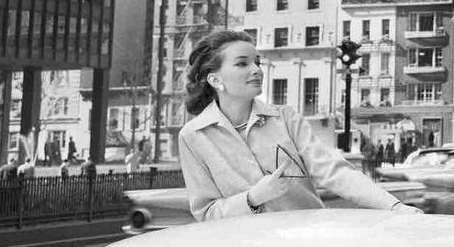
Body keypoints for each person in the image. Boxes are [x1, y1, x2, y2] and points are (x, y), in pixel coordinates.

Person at [178, 28, 417, 221]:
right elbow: (206, 213)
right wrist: (252, 198)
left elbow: (334, 171)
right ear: (215, 79)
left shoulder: (285, 118)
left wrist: (395, 206)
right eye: (242, 64)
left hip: (305, 243)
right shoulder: (193, 136)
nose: (257, 70)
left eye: (257, 62)